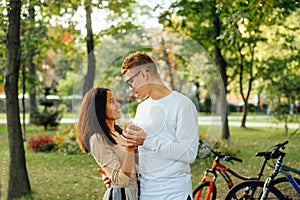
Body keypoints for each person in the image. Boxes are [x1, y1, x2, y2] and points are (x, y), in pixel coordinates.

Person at [121, 52, 199, 199]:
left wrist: (146, 140)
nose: (130, 88)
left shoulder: (182, 104)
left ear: (144, 74)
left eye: (131, 81)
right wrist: (115, 174)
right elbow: (142, 156)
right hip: (146, 193)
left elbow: (189, 153)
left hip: (174, 194)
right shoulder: (142, 109)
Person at [76, 88, 139, 200]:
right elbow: (122, 180)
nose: (118, 104)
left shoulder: (120, 131)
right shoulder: (97, 139)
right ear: (98, 108)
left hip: (136, 191)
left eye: (116, 100)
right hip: (122, 195)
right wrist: (130, 147)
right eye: (111, 101)